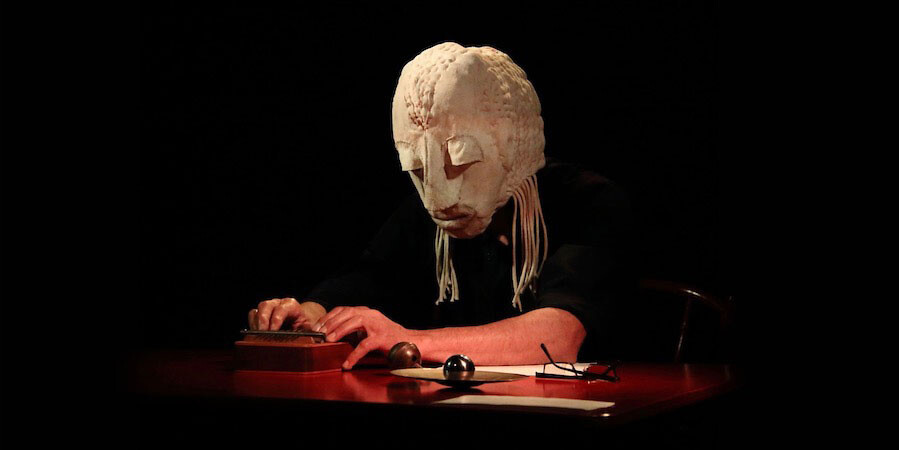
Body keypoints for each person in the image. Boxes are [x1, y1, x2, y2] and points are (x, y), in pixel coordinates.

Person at [247, 43, 634, 370]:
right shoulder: (424, 213)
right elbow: (369, 274)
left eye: (461, 158)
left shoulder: (589, 202)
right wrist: (311, 314)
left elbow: (558, 338)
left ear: (513, 141)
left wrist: (407, 339)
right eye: (416, 167)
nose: (440, 196)